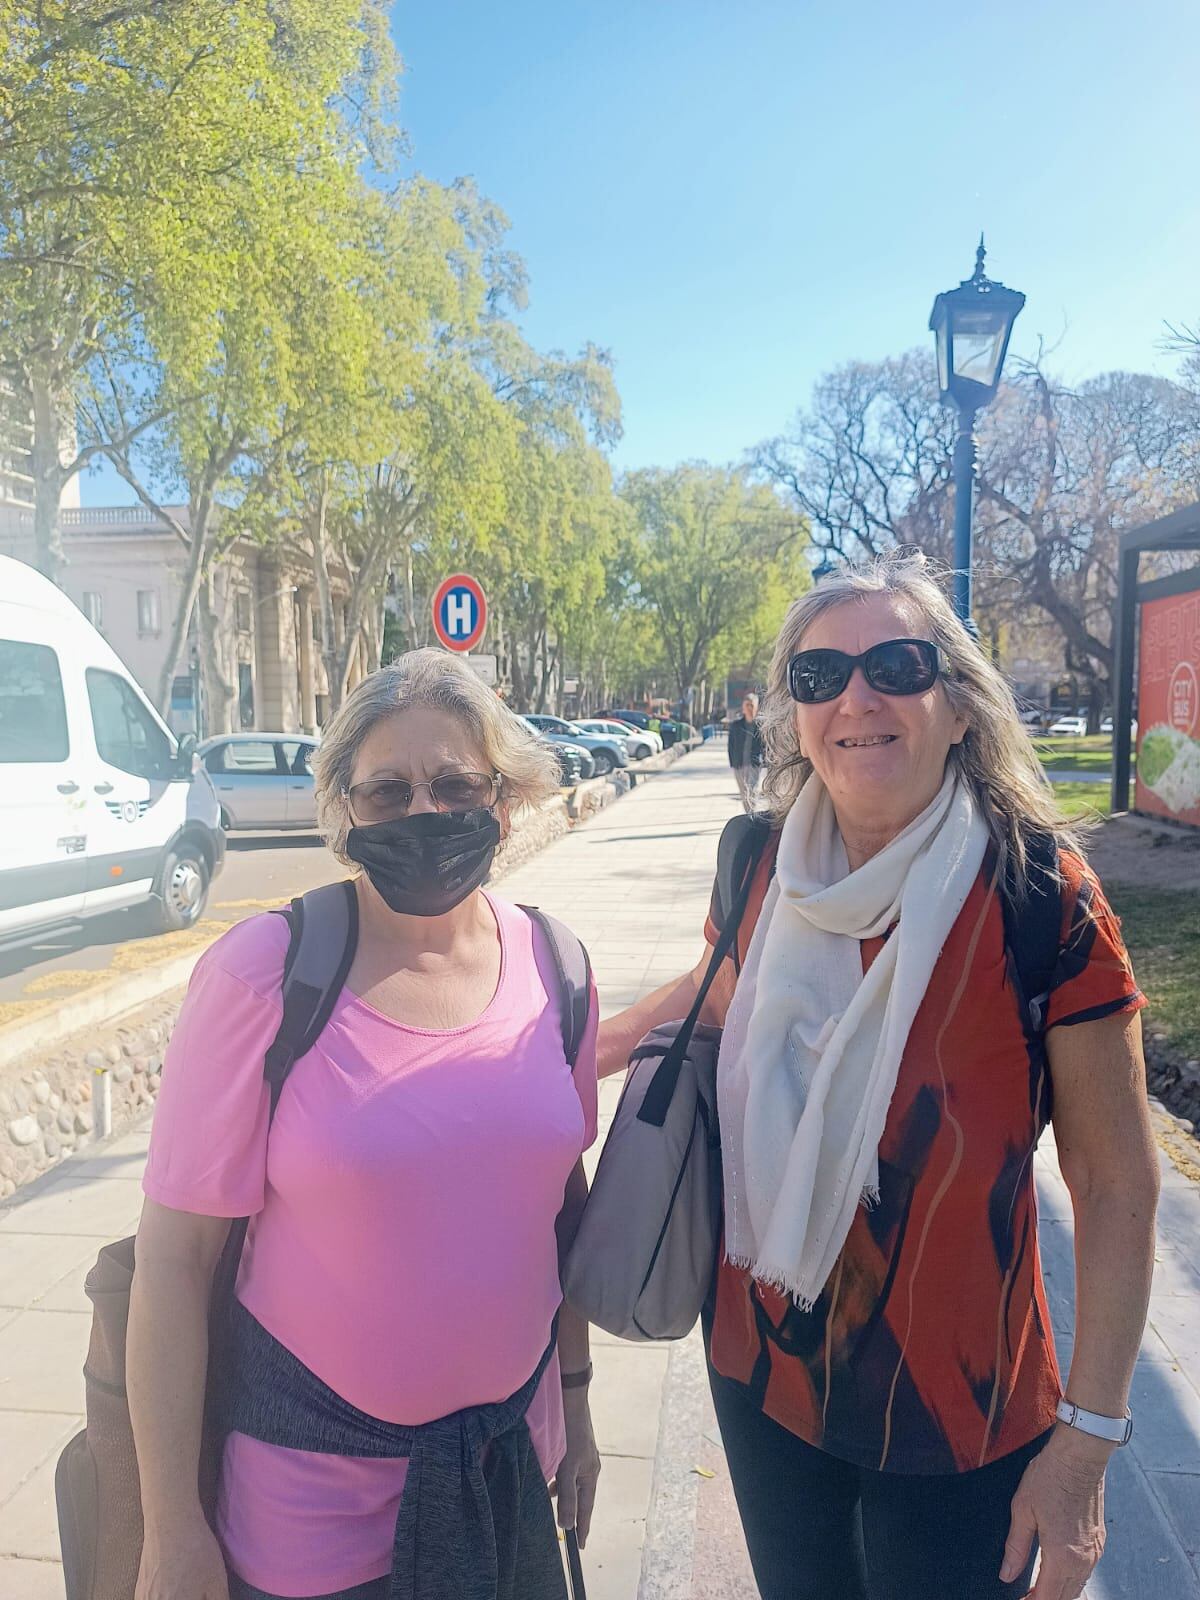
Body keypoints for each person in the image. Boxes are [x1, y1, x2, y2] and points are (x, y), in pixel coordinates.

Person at [597, 553, 1159, 1600]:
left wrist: (1085, 1448)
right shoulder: (763, 863)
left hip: (962, 1417)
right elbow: (727, 993)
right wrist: (585, 1041)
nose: (855, 698)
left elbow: (1119, 1184)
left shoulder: (1042, 897)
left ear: (958, 707)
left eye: (894, 665)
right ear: (795, 717)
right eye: (819, 678)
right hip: (762, 1375)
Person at [128, 650, 601, 1600]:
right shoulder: (264, 974)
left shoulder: (558, 963)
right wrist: (171, 1526)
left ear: (502, 800)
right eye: (388, 792)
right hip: (311, 1524)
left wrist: (579, 1414)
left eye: (456, 784)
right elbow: (174, 1262)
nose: (424, 813)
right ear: (346, 811)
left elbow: (558, 1211)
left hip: (507, 1474)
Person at [727, 691, 766, 811]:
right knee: (744, 792)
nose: (749, 708)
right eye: (747, 705)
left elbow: (766, 745)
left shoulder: (761, 726)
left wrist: (764, 760)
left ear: (756, 707)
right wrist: (733, 762)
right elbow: (731, 745)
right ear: (743, 708)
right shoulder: (736, 726)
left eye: (752, 705)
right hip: (739, 764)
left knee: (753, 790)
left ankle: (751, 814)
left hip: (754, 764)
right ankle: (748, 813)